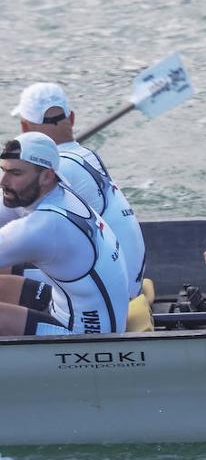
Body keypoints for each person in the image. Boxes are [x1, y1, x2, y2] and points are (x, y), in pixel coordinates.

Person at [7, 82, 146, 298]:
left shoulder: (52, 170)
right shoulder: (86, 156)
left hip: (109, 293)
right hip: (127, 281)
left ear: (25, 128)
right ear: (71, 118)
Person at [0, 133, 130, 336]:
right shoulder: (60, 192)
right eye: (3, 170)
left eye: (15, 173)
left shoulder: (45, 226)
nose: (2, 181)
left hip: (87, 336)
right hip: (65, 303)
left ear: (46, 176)